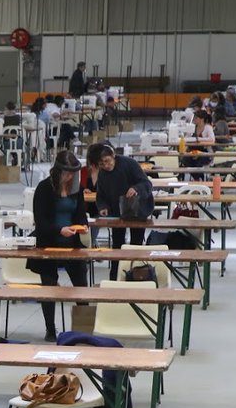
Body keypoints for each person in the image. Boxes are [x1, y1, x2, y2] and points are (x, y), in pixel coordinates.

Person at [29, 151, 89, 341]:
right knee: (49, 287)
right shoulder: (44, 188)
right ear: (58, 171)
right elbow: (41, 221)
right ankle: (50, 329)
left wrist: (83, 226)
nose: (70, 177)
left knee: (81, 285)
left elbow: (80, 213)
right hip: (48, 243)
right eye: (67, 173)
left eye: (73, 173)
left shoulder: (76, 188)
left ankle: (83, 329)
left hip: (72, 244)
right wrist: (59, 230)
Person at [85, 143, 152, 278]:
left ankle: (136, 276)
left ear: (113, 155)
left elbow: (147, 184)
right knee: (117, 246)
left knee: (136, 246)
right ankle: (115, 277)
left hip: (138, 211)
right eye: (101, 164)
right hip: (117, 213)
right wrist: (103, 207)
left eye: (107, 161)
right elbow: (101, 195)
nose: (106, 166)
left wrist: (136, 189)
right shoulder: (103, 174)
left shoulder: (130, 164)